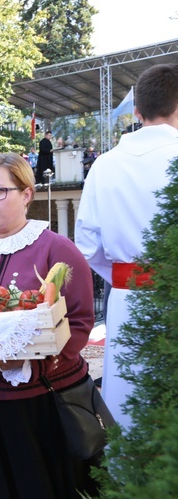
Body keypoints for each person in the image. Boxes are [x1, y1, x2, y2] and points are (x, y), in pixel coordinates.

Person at [0, 153, 95, 497]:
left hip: (36, 402)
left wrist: (29, 358)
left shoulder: (57, 249)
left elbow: (81, 321)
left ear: (26, 194)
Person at [75, 63, 178, 429]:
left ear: (136, 111)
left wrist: (127, 277)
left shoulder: (104, 166)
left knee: (132, 401)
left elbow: (87, 245)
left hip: (128, 298)